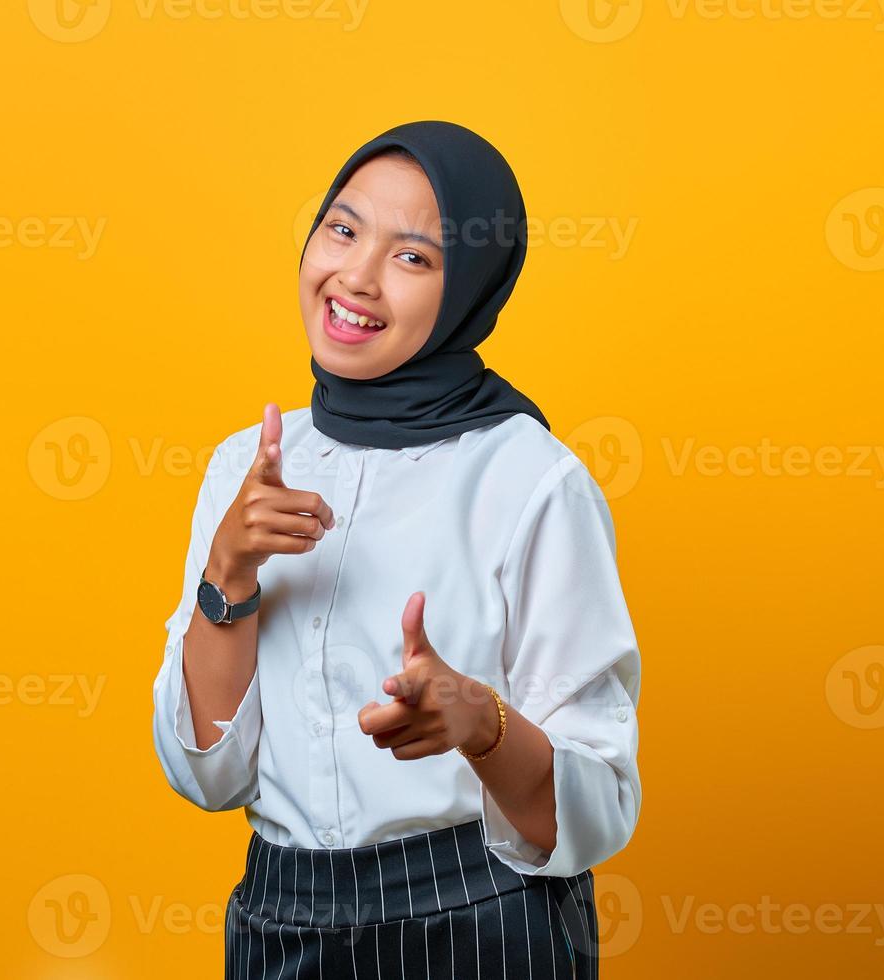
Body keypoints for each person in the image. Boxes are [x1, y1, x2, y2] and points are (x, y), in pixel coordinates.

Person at [152, 119, 641, 979]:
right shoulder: (250, 463)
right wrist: (227, 575)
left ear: (469, 291)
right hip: (281, 920)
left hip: (478, 920)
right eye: (341, 229)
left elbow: (598, 805)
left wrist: (479, 724)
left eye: (413, 257)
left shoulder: (529, 480)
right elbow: (210, 781)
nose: (356, 276)